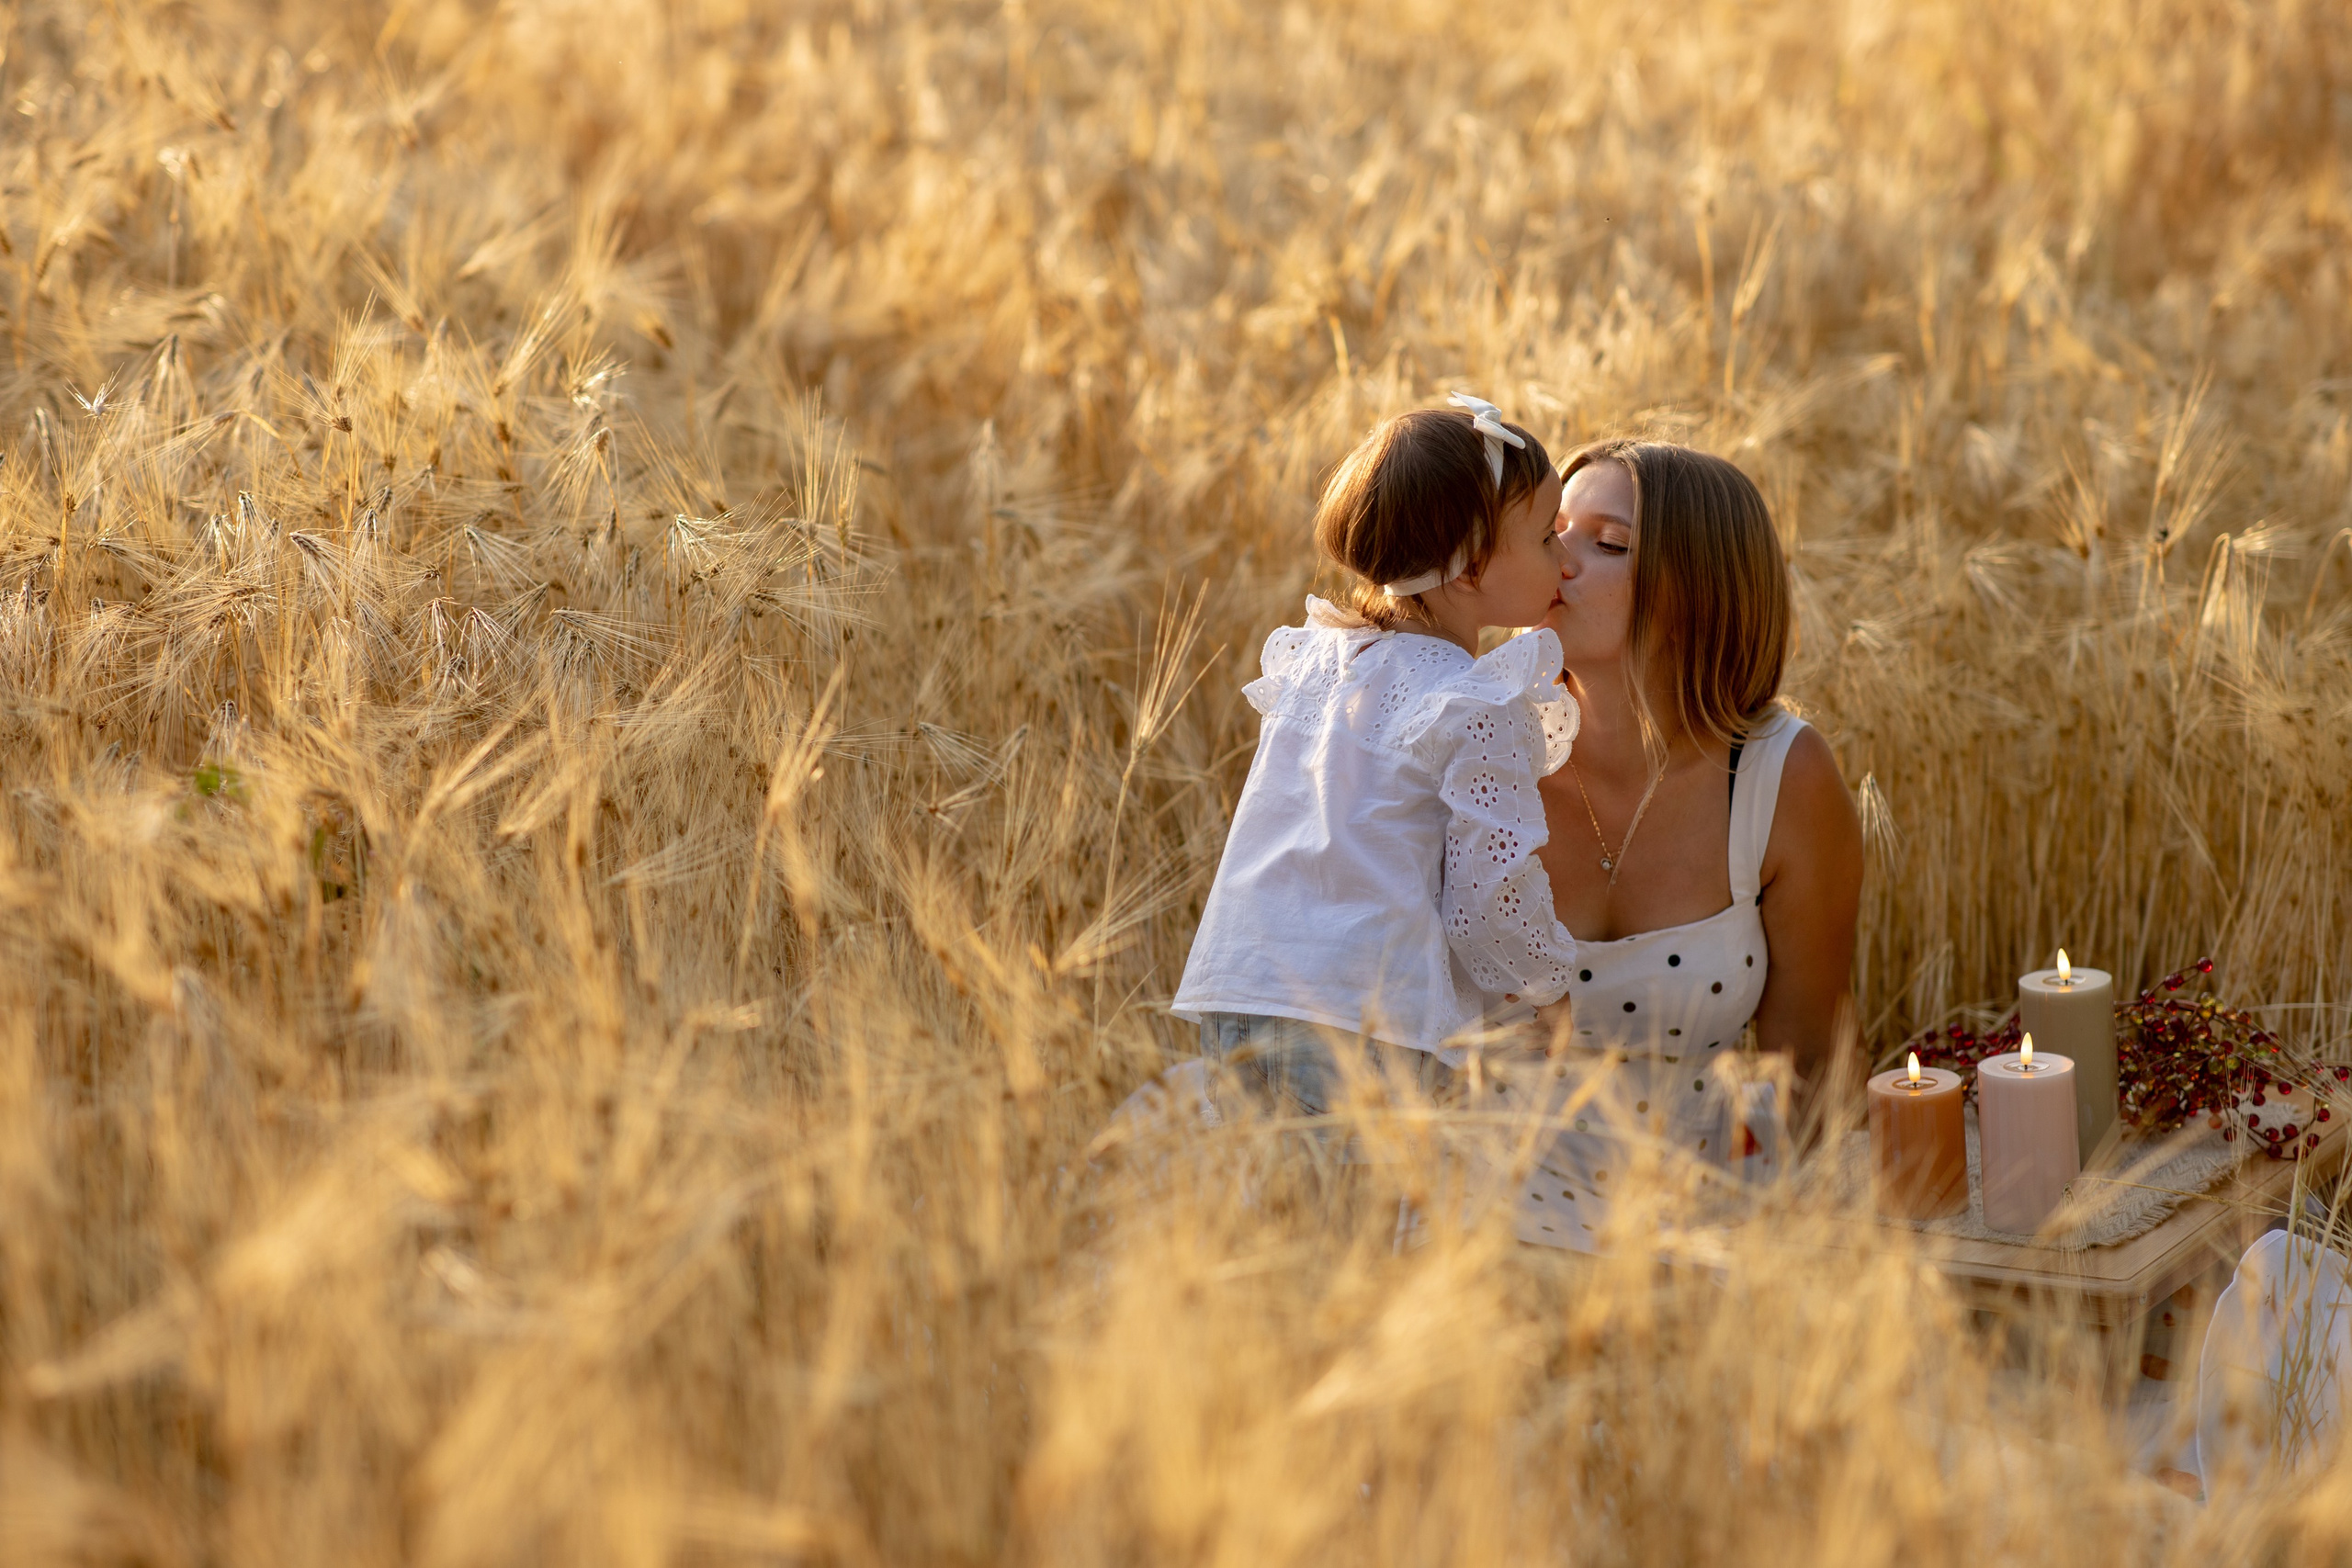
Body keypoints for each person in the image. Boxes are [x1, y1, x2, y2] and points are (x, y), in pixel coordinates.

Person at [1170, 395, 1581, 1122]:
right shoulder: (1476, 701)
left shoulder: (1321, 665)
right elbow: (1488, 895)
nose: (1567, 556)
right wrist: (1548, 985)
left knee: (1267, 1222)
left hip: (1241, 991)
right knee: (1363, 1223)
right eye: (1548, 536)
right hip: (1365, 1022)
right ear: (1472, 567)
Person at [1507, 440, 1863, 1251]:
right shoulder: (1474, 748)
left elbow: (1806, 1067)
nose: (1556, 558)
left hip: (1698, 1221)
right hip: (1484, 1213)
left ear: (1695, 590)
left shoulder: (1779, 776)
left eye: (1608, 543)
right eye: (1552, 530)